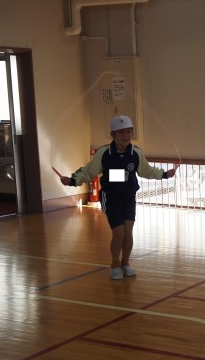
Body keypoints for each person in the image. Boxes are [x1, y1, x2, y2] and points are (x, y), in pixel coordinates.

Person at [59, 115, 179, 280]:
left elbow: (146, 171)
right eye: (121, 132)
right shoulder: (104, 153)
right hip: (111, 197)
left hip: (129, 198)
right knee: (119, 233)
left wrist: (165, 174)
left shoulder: (136, 153)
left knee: (128, 232)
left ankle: (125, 263)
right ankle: (115, 264)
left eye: (129, 131)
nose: (126, 135)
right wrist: (72, 180)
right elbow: (88, 172)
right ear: (113, 134)